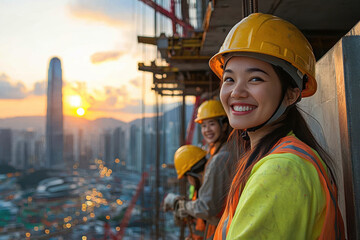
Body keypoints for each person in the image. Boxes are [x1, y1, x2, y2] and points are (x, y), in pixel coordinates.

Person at [208, 13, 345, 239]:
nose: (236, 92)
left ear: (291, 94)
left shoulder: (281, 170)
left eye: (255, 79)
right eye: (229, 79)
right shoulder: (283, 157)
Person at [165, 100, 234, 240]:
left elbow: (207, 208)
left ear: (224, 125)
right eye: (203, 126)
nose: (207, 130)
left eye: (212, 124)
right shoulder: (222, 152)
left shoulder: (220, 159)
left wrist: (181, 205)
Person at [165, 145, 208, 240]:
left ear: (191, 174)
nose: (188, 181)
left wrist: (181, 205)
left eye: (186, 177)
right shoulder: (199, 189)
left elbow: (205, 212)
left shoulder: (207, 191)